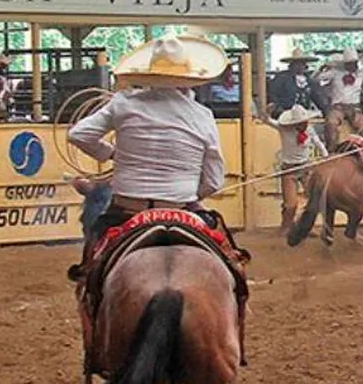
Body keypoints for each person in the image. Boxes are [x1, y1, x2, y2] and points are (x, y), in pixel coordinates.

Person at [67, 35, 230, 265]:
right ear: (189, 78)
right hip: (180, 209)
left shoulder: (123, 103)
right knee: (232, 262)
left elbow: (78, 134)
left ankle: (88, 294)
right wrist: (189, 194)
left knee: (92, 262)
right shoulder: (202, 116)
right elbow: (214, 181)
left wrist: (111, 153)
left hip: (128, 209)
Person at [272, 104, 327, 234]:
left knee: (313, 200)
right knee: (290, 205)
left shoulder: (309, 129)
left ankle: (307, 226)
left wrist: (325, 155)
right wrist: (264, 114)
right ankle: (286, 227)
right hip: (289, 170)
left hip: (306, 167)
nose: (305, 124)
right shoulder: (284, 129)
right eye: (302, 122)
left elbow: (317, 142)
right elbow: (267, 121)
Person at [316, 47, 363, 147]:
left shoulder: (361, 75)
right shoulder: (335, 73)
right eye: (351, 63)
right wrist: (320, 69)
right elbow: (315, 79)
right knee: (331, 123)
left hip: (354, 108)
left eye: (355, 63)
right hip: (337, 107)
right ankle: (332, 151)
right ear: (345, 64)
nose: (354, 65)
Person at [269, 47, 328, 119]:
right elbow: (273, 94)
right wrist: (279, 108)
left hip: (304, 113)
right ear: (291, 65)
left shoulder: (310, 81)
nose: (300, 66)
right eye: (297, 63)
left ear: (306, 66)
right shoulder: (281, 78)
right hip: (285, 112)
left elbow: (318, 98)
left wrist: (326, 112)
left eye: (302, 64)